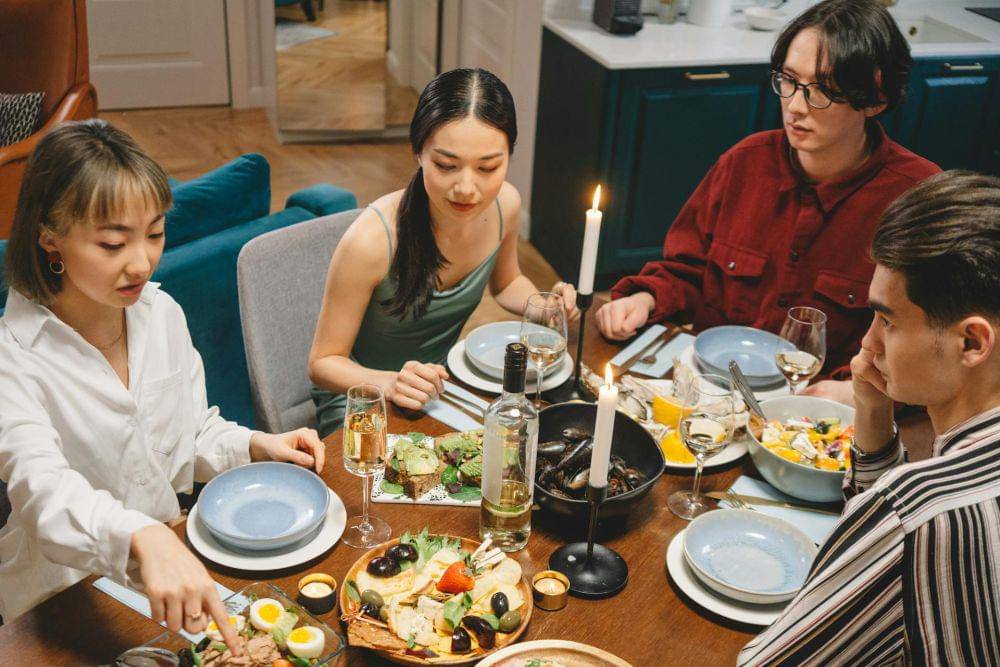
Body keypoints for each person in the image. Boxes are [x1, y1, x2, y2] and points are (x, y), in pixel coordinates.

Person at [0, 120, 327, 653]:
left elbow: (191, 433)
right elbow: (43, 495)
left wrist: (256, 445)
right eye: (113, 243)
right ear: (48, 237)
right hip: (59, 594)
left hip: (169, 561)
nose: (141, 262)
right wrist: (140, 535)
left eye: (154, 234)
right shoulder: (12, 355)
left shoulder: (161, 312)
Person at [595, 0, 939, 403]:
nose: (795, 106)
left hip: (826, 417)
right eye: (788, 80)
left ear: (875, 98)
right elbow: (688, 271)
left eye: (823, 90)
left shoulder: (917, 199)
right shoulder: (744, 162)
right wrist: (645, 298)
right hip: (711, 398)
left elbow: (928, 346)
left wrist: (855, 391)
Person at [739, 170, 1000, 665]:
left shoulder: (917, 513)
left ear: (971, 342)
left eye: (887, 320)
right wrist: (873, 412)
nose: (868, 342)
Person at [309, 68, 578, 437]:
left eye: (488, 167)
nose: (466, 187)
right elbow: (323, 363)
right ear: (418, 152)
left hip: (441, 387)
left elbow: (506, 282)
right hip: (364, 398)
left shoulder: (506, 206)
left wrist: (545, 306)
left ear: (509, 157)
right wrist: (390, 383)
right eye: (446, 165)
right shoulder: (370, 241)